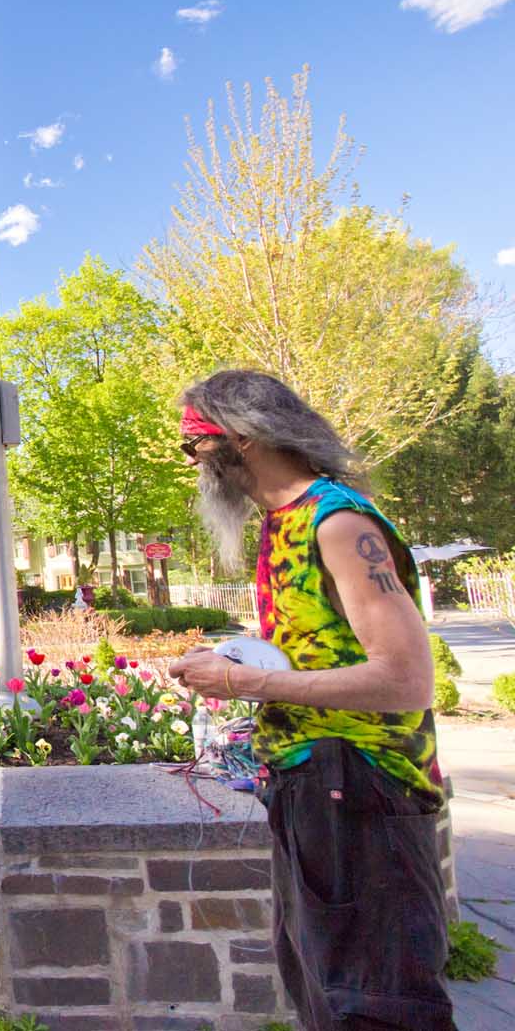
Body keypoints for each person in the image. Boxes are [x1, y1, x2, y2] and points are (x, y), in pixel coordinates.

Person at [166, 370, 452, 1031]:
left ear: (242, 437)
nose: (193, 462)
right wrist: (236, 658)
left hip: (365, 788)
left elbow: (405, 679)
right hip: (311, 786)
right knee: (323, 994)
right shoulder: (283, 525)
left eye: (195, 445)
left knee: (375, 1006)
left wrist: (245, 681)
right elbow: (321, 648)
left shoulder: (338, 521)